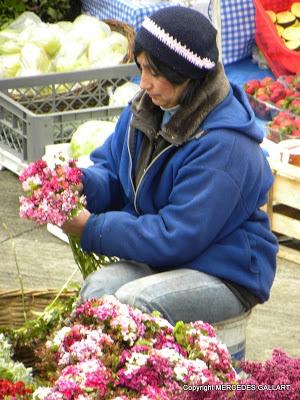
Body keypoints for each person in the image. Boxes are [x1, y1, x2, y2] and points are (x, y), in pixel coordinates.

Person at [62, 6, 278, 325]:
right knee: (99, 291)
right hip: (169, 259)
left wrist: (91, 228)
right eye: (141, 68)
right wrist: (78, 185)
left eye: (155, 72)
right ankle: (97, 374)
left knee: (135, 303)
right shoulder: (144, 110)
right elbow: (111, 172)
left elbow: (175, 236)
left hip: (226, 271)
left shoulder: (223, 145)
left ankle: (173, 377)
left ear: (184, 73)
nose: (144, 83)